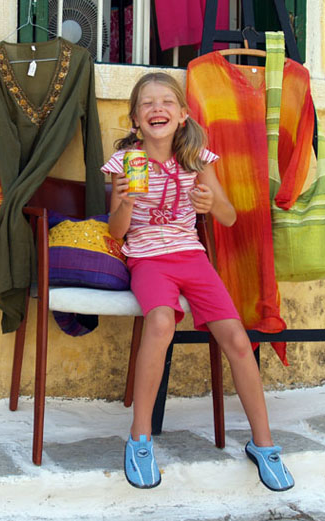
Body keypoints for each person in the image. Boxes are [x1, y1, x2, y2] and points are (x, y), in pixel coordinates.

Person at [102, 72, 294, 492]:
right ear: (135, 118)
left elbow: (228, 216)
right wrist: (127, 202)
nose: (157, 109)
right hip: (148, 259)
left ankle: (264, 444)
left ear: (183, 115)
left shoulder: (197, 160)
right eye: (147, 103)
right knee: (160, 323)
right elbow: (117, 232)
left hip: (192, 258)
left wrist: (210, 203)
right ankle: (139, 438)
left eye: (167, 102)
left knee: (238, 339)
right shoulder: (126, 162)